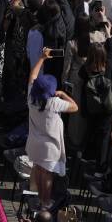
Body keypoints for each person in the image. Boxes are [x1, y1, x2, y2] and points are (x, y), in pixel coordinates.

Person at [26, 51, 78, 211]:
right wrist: (63, 94)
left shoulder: (31, 98)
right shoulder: (54, 103)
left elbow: (32, 76)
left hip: (34, 144)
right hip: (50, 148)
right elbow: (75, 107)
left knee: (40, 171)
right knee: (47, 175)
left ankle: (41, 201)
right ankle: (45, 203)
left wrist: (41, 57)